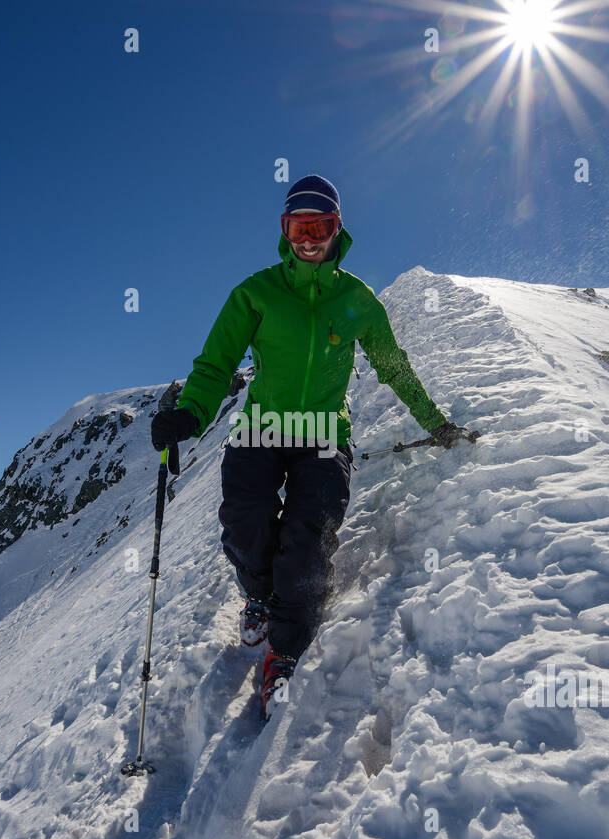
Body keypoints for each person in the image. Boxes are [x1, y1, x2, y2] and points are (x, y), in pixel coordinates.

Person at [151, 174, 470, 718]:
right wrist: (190, 415)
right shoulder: (255, 292)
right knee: (245, 522)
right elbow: (216, 364)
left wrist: (434, 421)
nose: (308, 238)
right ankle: (258, 594)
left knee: (308, 537)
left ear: (336, 230)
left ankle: (285, 650)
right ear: (285, 230)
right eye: (299, 226)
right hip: (261, 428)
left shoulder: (357, 300)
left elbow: (394, 368)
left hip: (324, 434)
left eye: (318, 226)